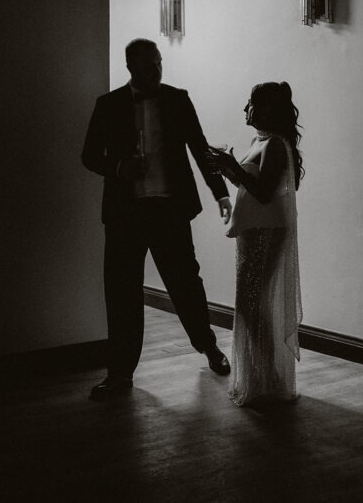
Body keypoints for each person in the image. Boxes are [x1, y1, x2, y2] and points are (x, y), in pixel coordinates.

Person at [81, 38, 234, 400]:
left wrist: (221, 192)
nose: (157, 69)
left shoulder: (177, 99)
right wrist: (119, 167)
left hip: (170, 211)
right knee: (121, 295)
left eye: (159, 63)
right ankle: (120, 374)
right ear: (131, 67)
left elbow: (199, 147)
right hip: (125, 215)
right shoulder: (108, 105)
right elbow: (89, 155)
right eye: (150, 65)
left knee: (186, 285)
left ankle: (209, 347)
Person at [206, 82, 303, 406]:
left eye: (249, 103)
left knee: (253, 306)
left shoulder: (275, 145)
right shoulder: (258, 141)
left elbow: (263, 193)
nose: (244, 109)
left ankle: (270, 378)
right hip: (253, 232)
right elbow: (250, 186)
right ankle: (261, 378)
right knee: (250, 306)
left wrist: (232, 166)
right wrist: (227, 168)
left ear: (265, 109)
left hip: (266, 233)